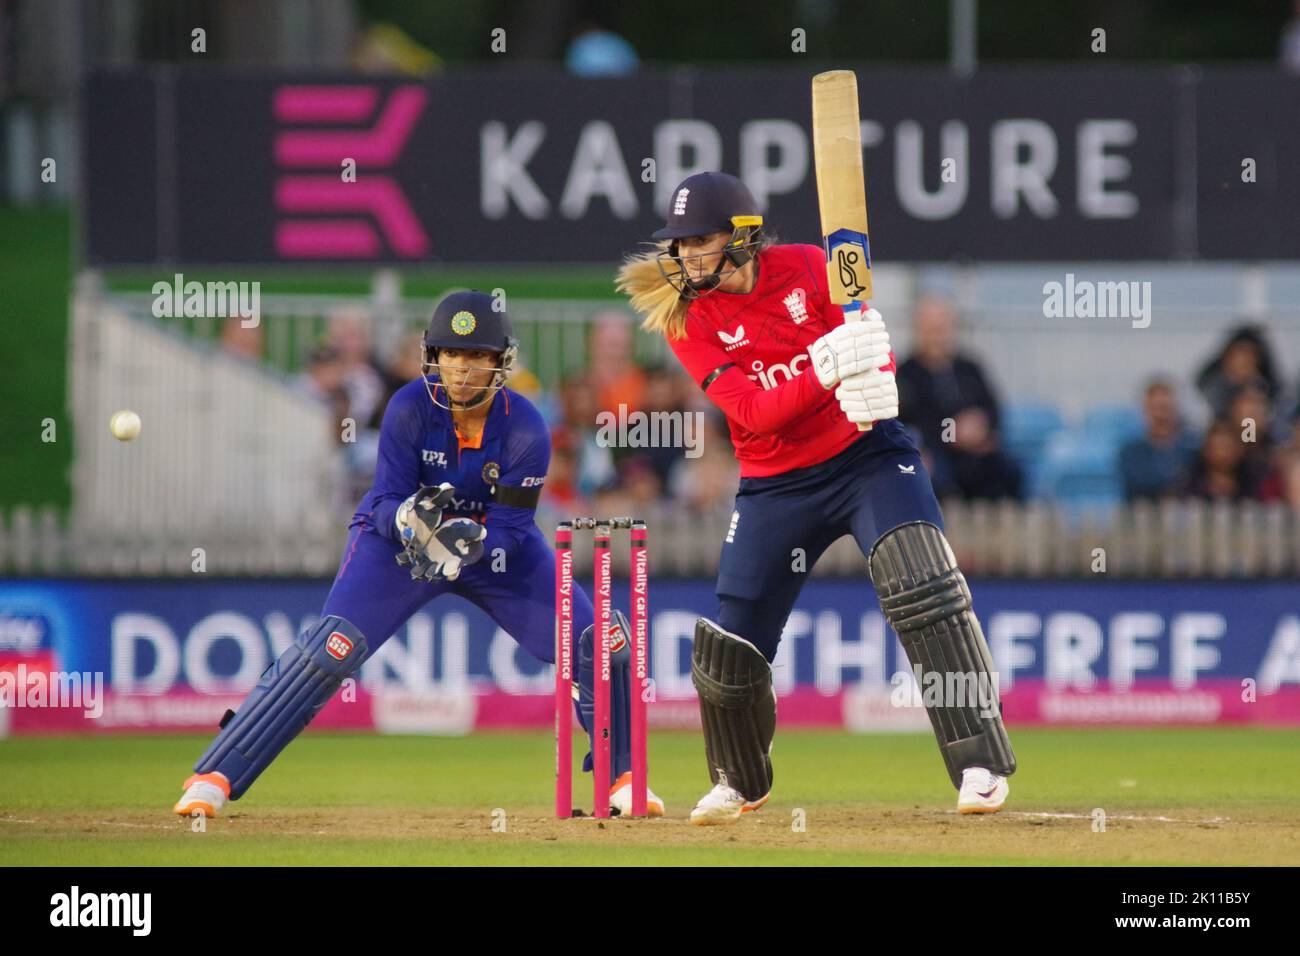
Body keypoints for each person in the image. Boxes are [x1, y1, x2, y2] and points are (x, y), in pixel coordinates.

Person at [616, 171, 1015, 825]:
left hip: (869, 459)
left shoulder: (809, 267)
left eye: (699, 241)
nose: (686, 256)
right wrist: (824, 367)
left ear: (741, 238)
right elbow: (752, 411)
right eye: (680, 244)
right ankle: (737, 780)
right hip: (777, 484)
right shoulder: (689, 318)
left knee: (923, 583)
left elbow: (867, 343)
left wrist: (876, 379)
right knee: (729, 642)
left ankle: (980, 761)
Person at [173, 291, 663, 819]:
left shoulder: (525, 427)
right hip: (399, 547)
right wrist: (410, 521)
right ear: (434, 357)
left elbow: (513, 529)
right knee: (330, 648)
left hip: (492, 550)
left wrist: (469, 545)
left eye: (476, 355)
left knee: (597, 642)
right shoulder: (409, 405)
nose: (462, 368)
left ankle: (624, 779)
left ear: (501, 362)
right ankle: (216, 775)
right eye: (451, 354)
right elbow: (383, 500)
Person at [895, 296, 1020, 499]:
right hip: (934, 454)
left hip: (977, 453)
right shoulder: (905, 374)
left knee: (1009, 469)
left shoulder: (970, 368)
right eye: (931, 330)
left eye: (942, 329)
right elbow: (908, 422)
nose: (937, 337)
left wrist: (982, 427)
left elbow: (993, 409)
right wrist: (954, 431)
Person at [1119, 378, 1198, 500]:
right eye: (1155, 409)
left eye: (1165, 408)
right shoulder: (1130, 452)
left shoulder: (1192, 448)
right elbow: (1137, 485)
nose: (1160, 416)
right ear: (1145, 410)